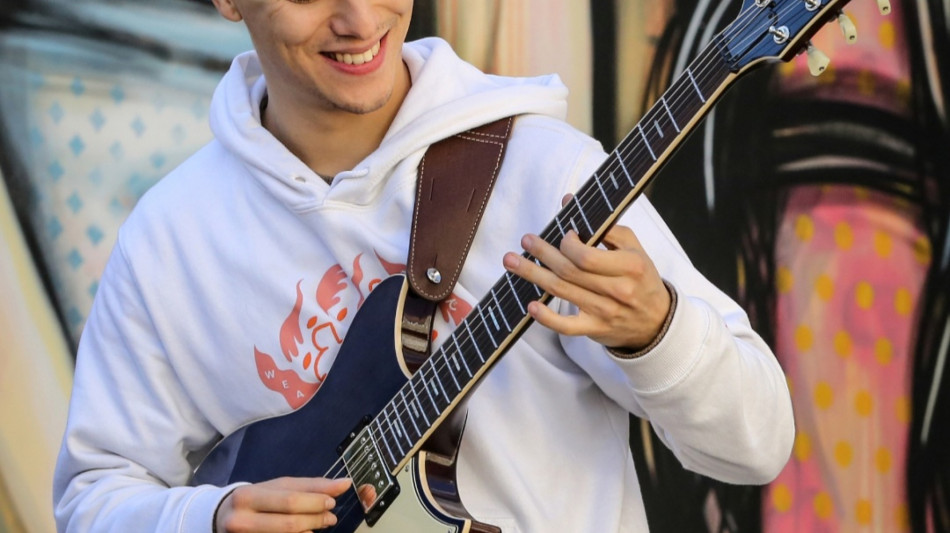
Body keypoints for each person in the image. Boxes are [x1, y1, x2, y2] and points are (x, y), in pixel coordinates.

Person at [52, 1, 795, 531]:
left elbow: (756, 446)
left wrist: (658, 332)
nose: (358, 19)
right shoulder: (170, 237)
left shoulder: (548, 176)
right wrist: (205, 516)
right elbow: (94, 493)